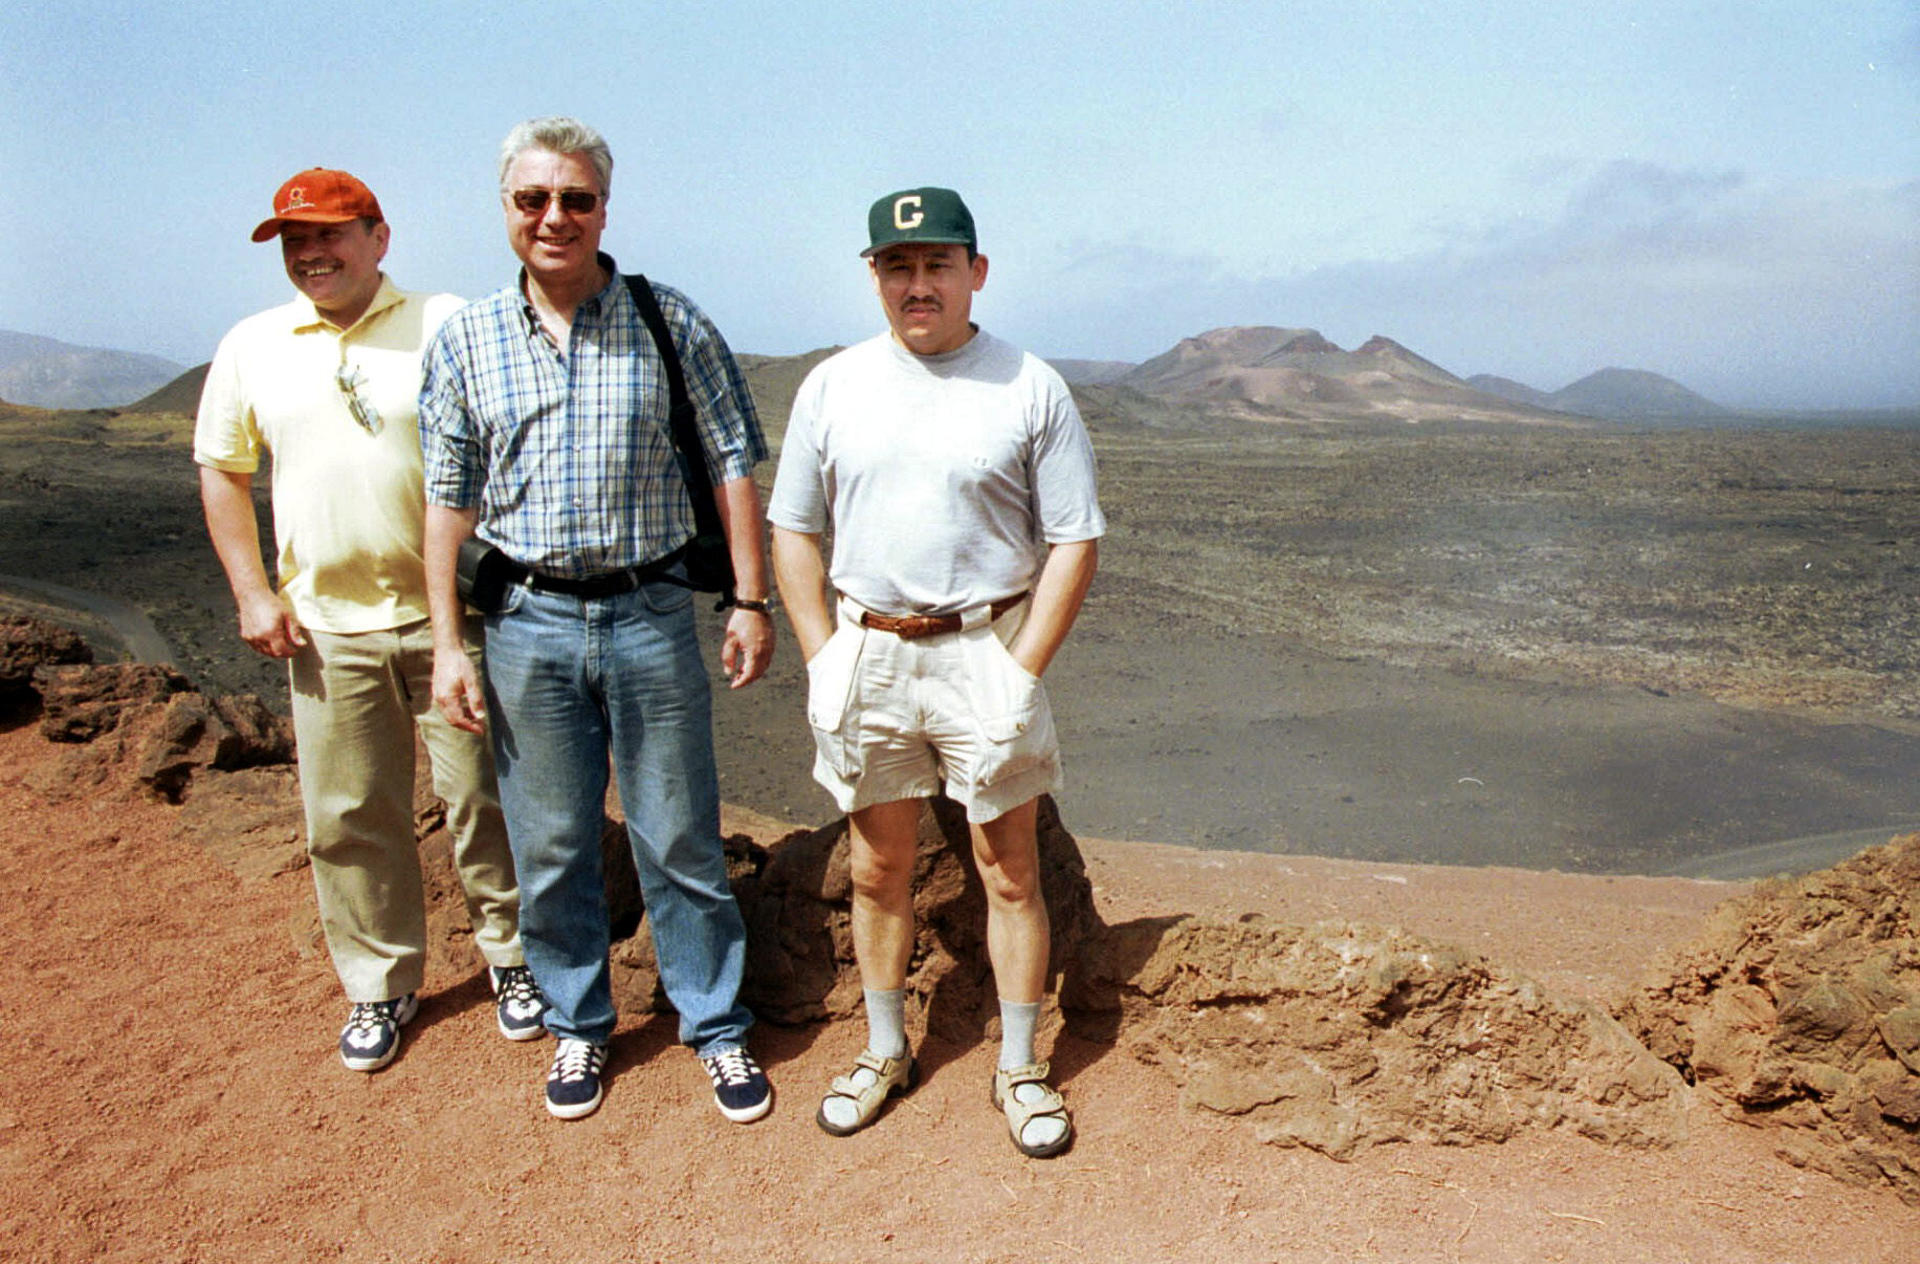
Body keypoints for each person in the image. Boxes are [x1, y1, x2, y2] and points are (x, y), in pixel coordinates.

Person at [418, 117, 775, 1124]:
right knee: (553, 842)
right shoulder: (467, 340)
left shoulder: (670, 320)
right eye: (534, 199)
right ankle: (580, 1024)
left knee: (678, 836)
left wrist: (749, 599)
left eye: (575, 198)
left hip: (652, 614)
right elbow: (447, 497)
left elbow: (731, 461)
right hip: (526, 621)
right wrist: (449, 642)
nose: (554, 217)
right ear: (506, 211)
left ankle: (714, 1023)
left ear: (604, 209)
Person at [767, 187, 1104, 1157]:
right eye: (897, 266)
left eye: (938, 264)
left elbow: (1076, 538)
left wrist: (1020, 667)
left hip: (983, 648)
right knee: (878, 867)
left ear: (975, 273)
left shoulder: (1028, 385)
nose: (919, 284)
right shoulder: (832, 386)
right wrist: (824, 652)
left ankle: (1022, 1068)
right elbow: (794, 527)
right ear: (875, 275)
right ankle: (883, 1050)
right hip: (868, 651)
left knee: (1009, 870)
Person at [196, 168, 545, 1074]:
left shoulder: (447, 323)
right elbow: (222, 472)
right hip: (322, 626)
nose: (312, 254)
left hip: (450, 619)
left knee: (485, 797)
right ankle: (379, 983)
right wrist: (251, 592)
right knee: (349, 811)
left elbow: (511, 445)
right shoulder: (252, 344)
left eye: (330, 234)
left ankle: (513, 959)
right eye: (293, 241)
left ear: (378, 238)